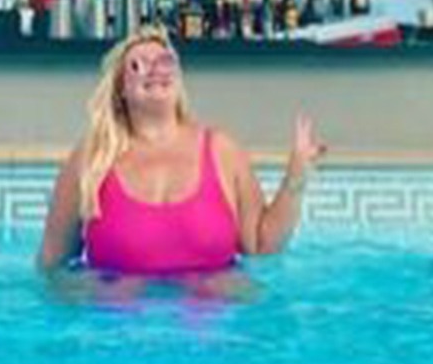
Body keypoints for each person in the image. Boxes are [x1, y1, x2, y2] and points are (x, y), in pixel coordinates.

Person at [37, 25, 326, 276]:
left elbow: (262, 245)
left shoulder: (223, 152)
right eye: (139, 64)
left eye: (165, 61)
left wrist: (296, 176)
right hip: (119, 335)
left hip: (214, 334)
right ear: (120, 89)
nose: (155, 70)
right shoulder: (91, 160)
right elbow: (52, 267)